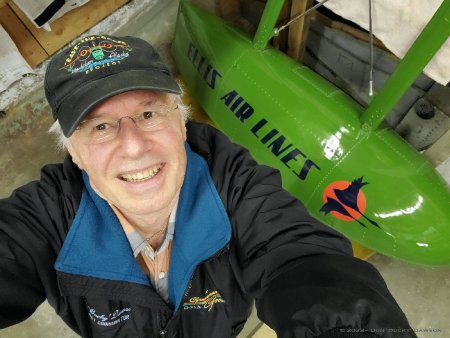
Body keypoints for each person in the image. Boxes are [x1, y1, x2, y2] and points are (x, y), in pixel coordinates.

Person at [0, 34, 414, 338]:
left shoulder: (238, 185)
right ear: (75, 153)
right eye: (102, 126)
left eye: (148, 114)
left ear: (181, 120)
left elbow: (304, 259)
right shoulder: (46, 217)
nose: (133, 145)